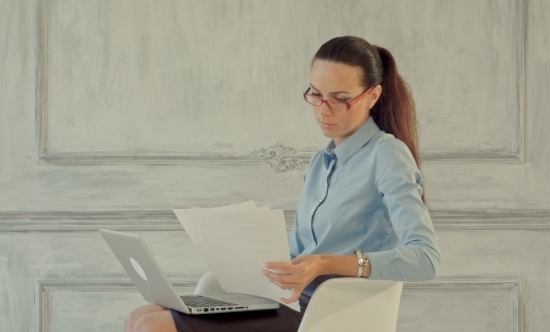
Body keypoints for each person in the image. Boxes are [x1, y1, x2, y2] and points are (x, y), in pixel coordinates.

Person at [124, 35, 441, 332]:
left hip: (330, 310)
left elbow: (425, 259)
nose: (322, 110)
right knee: (141, 316)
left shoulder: (388, 156)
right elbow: (299, 253)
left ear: (372, 95)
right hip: (287, 299)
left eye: (340, 99)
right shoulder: (321, 161)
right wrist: (241, 256)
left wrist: (324, 264)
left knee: (153, 327)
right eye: (316, 94)